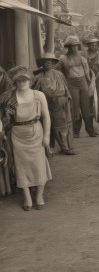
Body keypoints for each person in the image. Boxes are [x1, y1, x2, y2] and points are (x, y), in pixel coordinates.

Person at [0, 66, 52, 211]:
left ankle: (39, 196)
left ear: (30, 80)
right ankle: (27, 197)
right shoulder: (9, 97)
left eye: (25, 79)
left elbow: (46, 116)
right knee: (21, 166)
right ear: (15, 82)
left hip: (36, 131)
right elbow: (4, 118)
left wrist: (47, 135)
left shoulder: (38, 95)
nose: (22, 82)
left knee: (39, 164)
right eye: (19, 80)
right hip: (17, 134)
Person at [31, 53, 77, 156]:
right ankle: (47, 148)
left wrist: (68, 99)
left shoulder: (59, 74)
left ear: (53, 63)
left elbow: (66, 88)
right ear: (42, 64)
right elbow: (33, 91)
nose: (48, 64)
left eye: (50, 62)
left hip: (61, 104)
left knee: (63, 126)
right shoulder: (38, 77)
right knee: (47, 125)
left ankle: (66, 147)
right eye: (45, 62)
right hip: (47, 104)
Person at [54, 36, 97, 138]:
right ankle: (76, 130)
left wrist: (90, 83)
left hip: (83, 82)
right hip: (71, 83)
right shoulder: (63, 58)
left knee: (86, 107)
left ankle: (90, 129)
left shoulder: (82, 56)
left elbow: (87, 72)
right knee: (75, 108)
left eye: (76, 46)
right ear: (68, 47)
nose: (75, 48)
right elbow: (56, 71)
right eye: (72, 46)